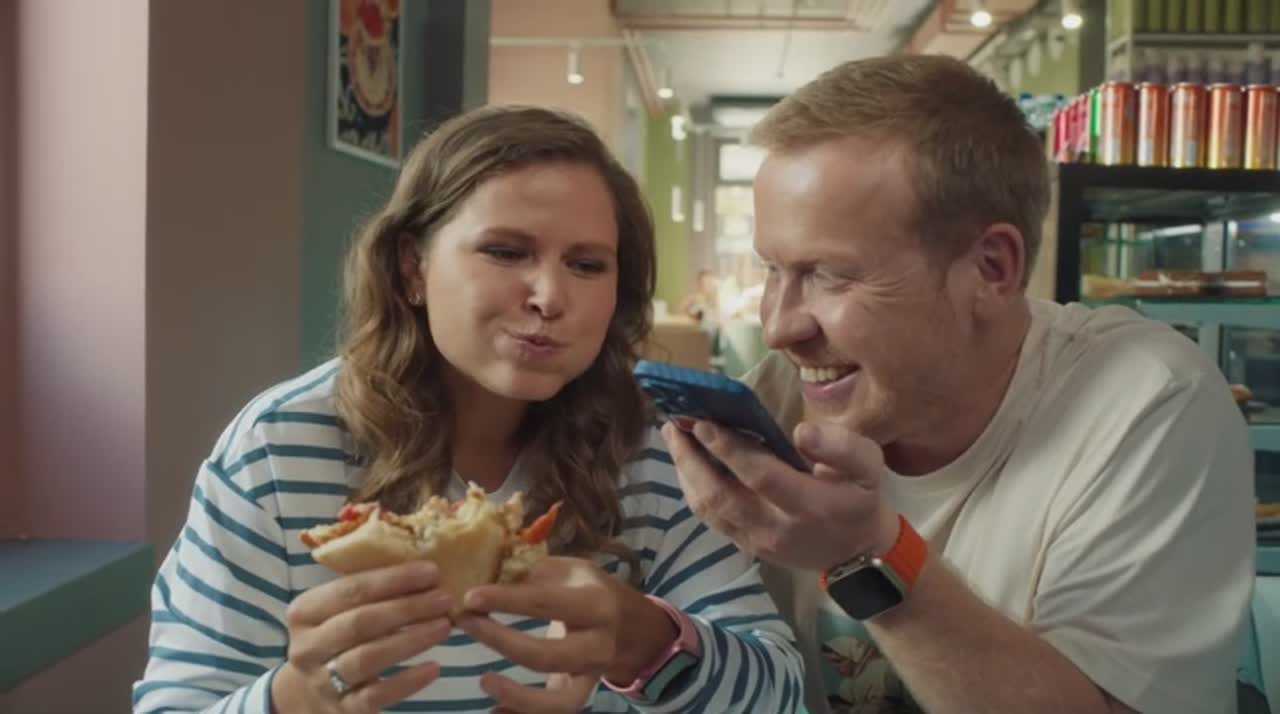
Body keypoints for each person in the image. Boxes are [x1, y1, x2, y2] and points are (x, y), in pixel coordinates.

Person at [133, 106, 804, 714]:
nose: (549, 296)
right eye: (506, 252)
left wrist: (645, 642)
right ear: (412, 268)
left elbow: (781, 695)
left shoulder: (656, 449)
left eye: (587, 264)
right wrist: (291, 703)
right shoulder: (278, 449)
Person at [662, 55, 1255, 714]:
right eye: (773, 270)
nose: (778, 327)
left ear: (991, 269)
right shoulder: (780, 394)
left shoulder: (1148, 404)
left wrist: (867, 557)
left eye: (830, 275)